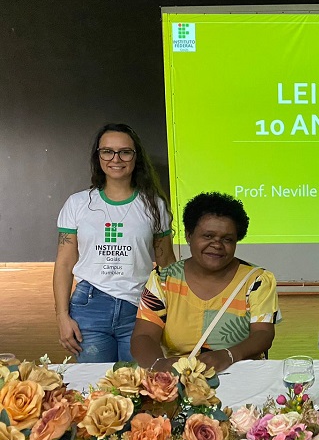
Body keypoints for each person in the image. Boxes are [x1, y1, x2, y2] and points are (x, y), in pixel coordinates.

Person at [54, 123, 175, 362]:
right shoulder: (77, 204)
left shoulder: (154, 205)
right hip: (89, 307)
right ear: (98, 156)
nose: (115, 158)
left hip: (140, 308)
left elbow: (167, 263)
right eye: (107, 151)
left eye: (125, 152)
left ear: (135, 157)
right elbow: (64, 264)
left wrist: (174, 312)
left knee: (138, 388)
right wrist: (62, 317)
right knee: (94, 389)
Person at [131, 192, 280, 372]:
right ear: (188, 235)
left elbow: (263, 334)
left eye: (227, 239)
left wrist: (228, 355)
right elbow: (144, 335)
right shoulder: (163, 279)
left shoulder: (257, 280)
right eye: (208, 236)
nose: (217, 244)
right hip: (179, 378)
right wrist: (159, 365)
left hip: (241, 375)